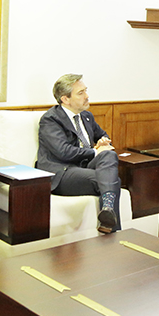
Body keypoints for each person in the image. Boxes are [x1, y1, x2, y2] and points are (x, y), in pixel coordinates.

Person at [35, 74, 121, 234]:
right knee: (111, 180)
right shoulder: (50, 120)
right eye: (81, 93)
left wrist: (103, 142)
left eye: (85, 91)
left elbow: (103, 135)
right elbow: (63, 152)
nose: (87, 96)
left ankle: (108, 212)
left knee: (109, 155)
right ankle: (111, 229)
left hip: (83, 168)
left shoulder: (86, 116)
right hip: (61, 172)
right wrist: (95, 152)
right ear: (65, 99)